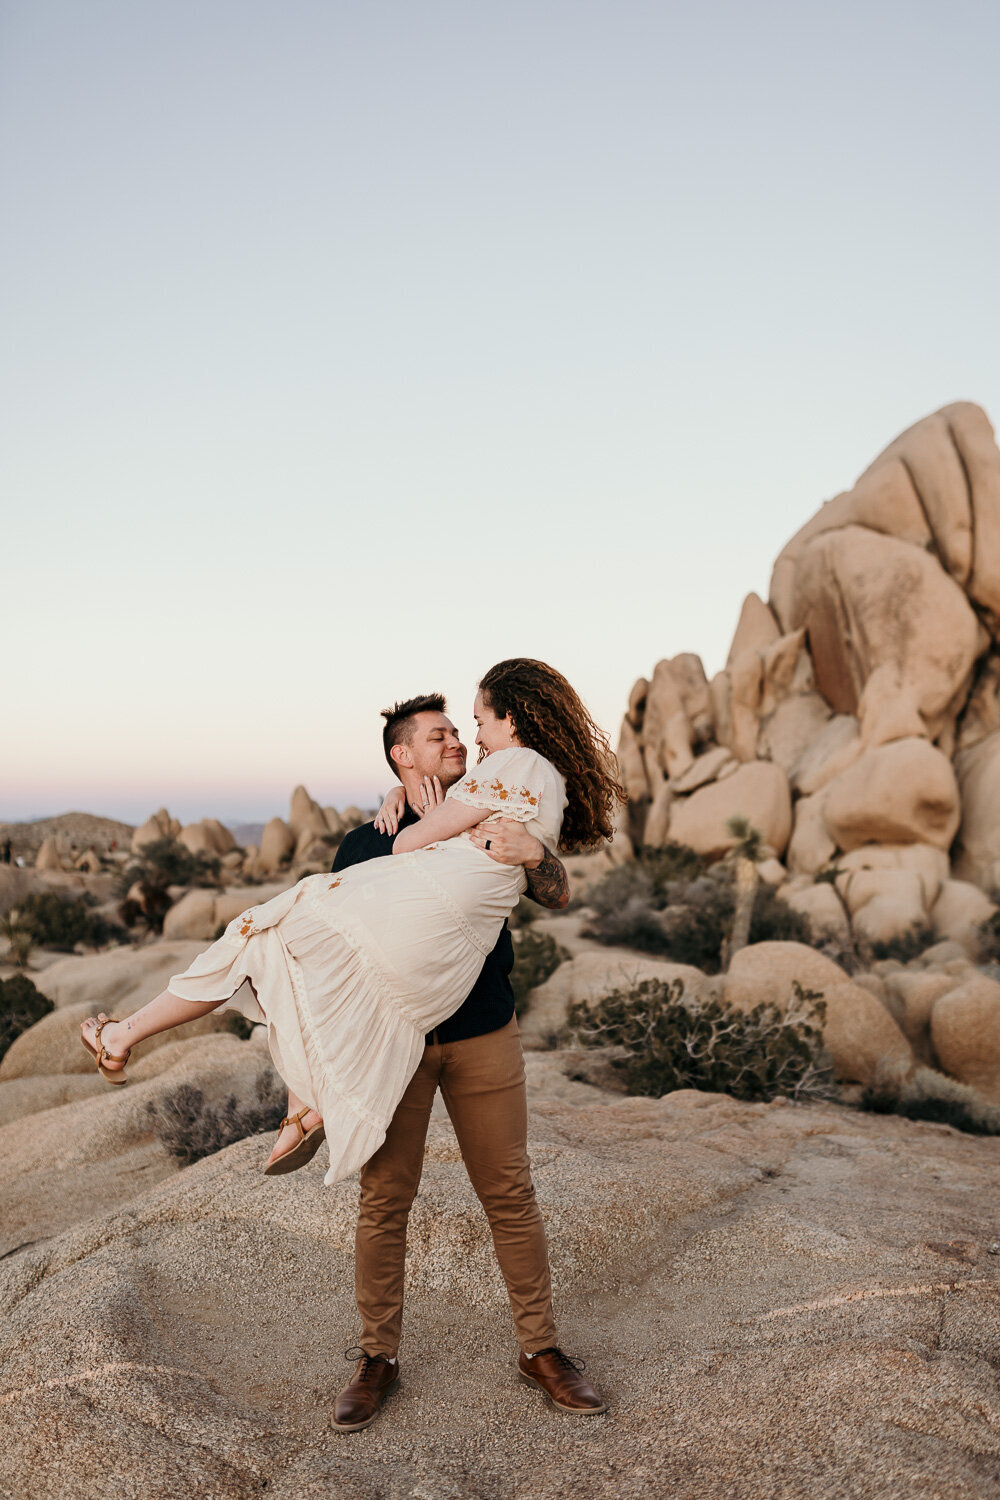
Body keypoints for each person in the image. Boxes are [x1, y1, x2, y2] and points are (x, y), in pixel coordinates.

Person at [80, 659, 624, 1415]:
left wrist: (535, 857)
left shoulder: (507, 797)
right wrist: (413, 822)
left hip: (481, 1030)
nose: (461, 741)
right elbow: (340, 936)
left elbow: (555, 889)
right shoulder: (365, 840)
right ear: (402, 757)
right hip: (390, 1039)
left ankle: (542, 1350)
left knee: (509, 1190)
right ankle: (376, 1358)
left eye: (466, 728)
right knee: (384, 1196)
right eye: (441, 736)